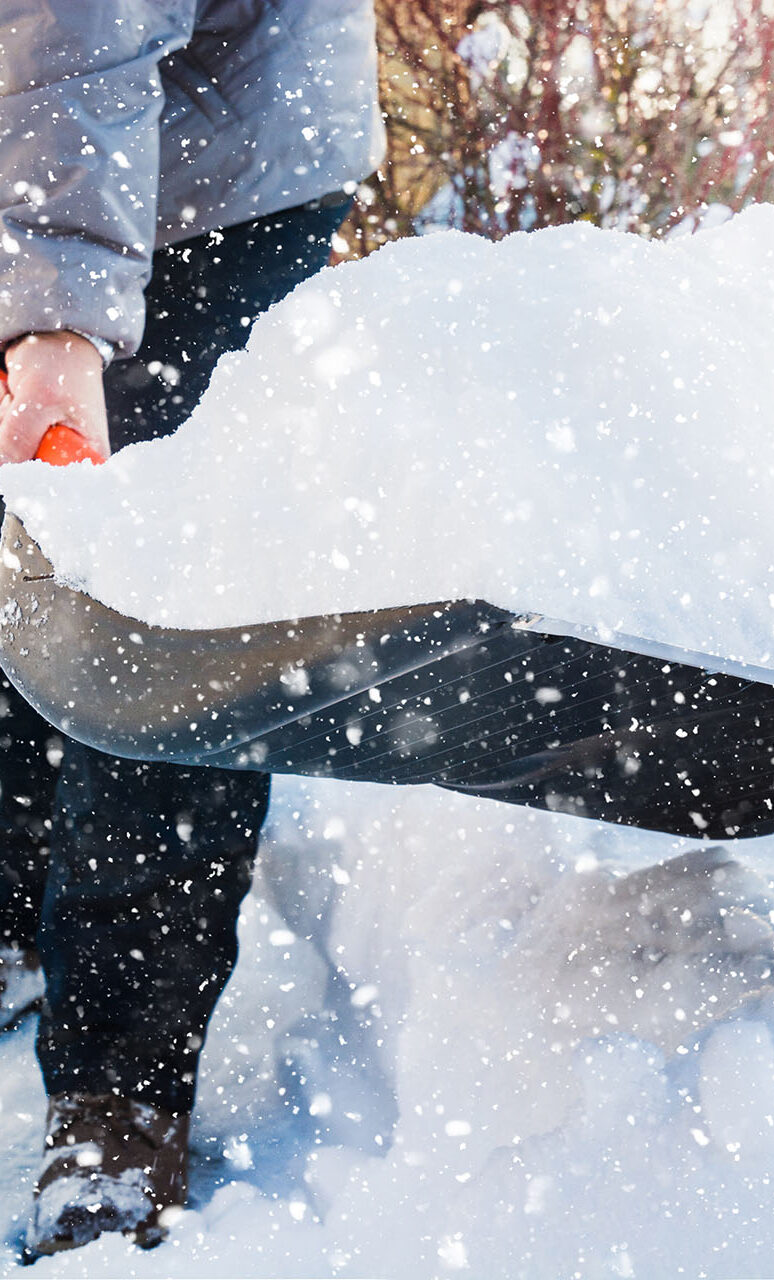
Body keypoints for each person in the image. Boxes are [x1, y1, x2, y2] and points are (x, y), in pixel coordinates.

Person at [0, 1, 384, 1258]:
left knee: (157, 621)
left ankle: (118, 1090)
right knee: (28, 564)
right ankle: (15, 922)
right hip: (56, 156)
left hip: (203, 170)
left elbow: (74, 31)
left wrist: (55, 316)